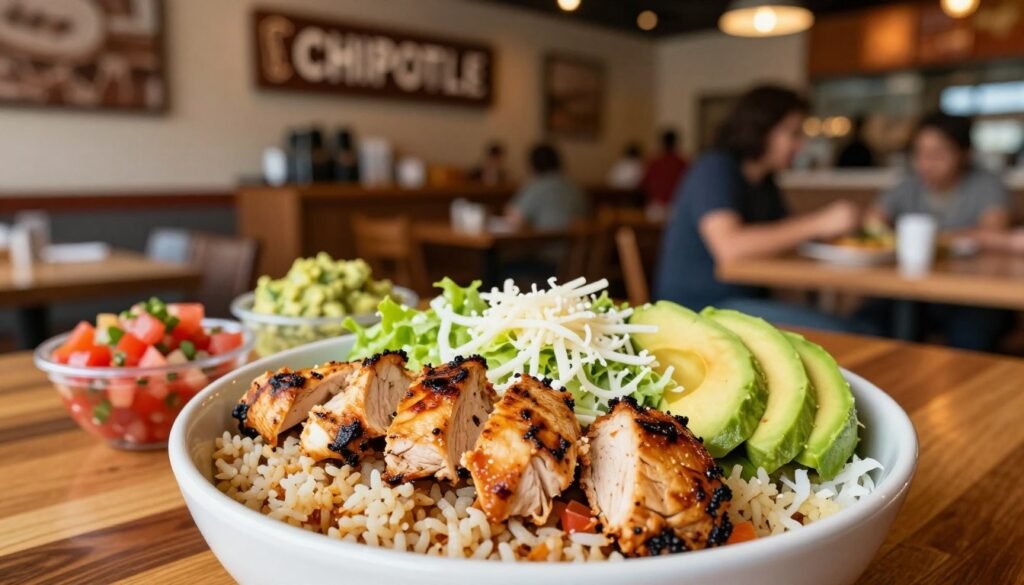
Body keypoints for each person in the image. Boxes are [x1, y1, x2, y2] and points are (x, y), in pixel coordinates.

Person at [654, 85, 870, 333]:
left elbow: (785, 238)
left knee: (863, 322)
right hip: (697, 311)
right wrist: (820, 223)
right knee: (848, 331)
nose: (800, 146)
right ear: (761, 128)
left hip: (740, 304)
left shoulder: (765, 183)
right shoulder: (715, 168)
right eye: (793, 133)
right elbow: (731, 247)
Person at [863, 113, 1012, 351]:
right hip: (916, 291)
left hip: (973, 294)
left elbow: (993, 231)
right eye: (920, 153)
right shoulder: (909, 185)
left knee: (968, 337)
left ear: (964, 154)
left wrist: (936, 240)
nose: (926, 163)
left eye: (938, 154)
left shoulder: (986, 185)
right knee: (873, 321)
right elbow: (872, 220)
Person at [506, 143, 588, 230]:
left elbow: (515, 218)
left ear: (533, 165)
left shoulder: (535, 187)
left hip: (545, 237)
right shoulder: (574, 187)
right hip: (576, 238)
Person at [641, 129, 688, 210]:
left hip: (656, 207)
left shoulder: (654, 162)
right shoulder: (682, 163)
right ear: (675, 143)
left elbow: (644, 184)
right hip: (675, 206)